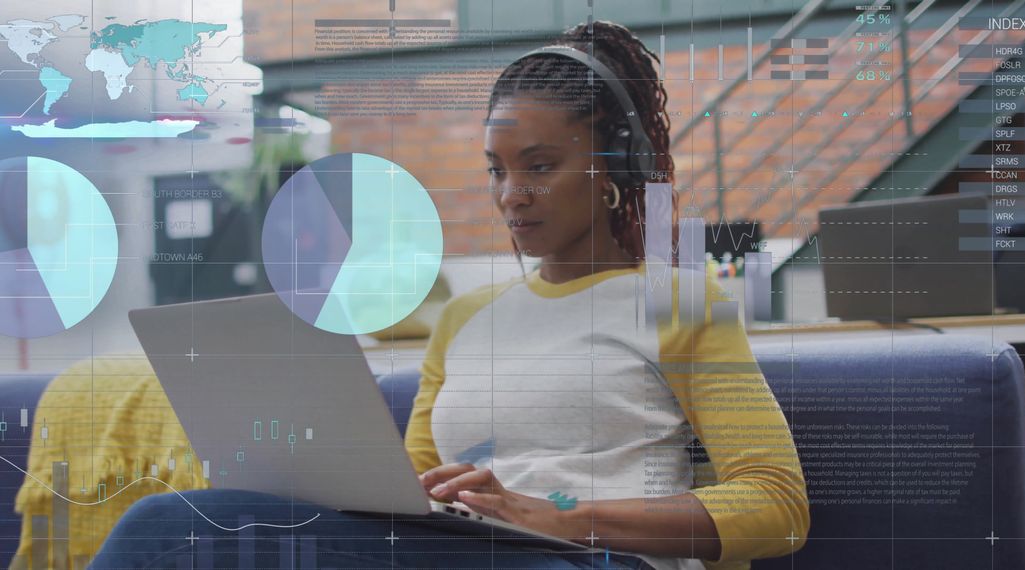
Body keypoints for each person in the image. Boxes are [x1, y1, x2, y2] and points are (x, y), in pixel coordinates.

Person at [90, 21, 808, 570]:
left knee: (168, 535)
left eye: (540, 166)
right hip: (467, 551)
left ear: (612, 168)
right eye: (496, 170)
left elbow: (778, 506)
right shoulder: (466, 319)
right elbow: (413, 496)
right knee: (178, 521)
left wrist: (563, 517)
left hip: (588, 558)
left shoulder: (682, 305)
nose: (510, 194)